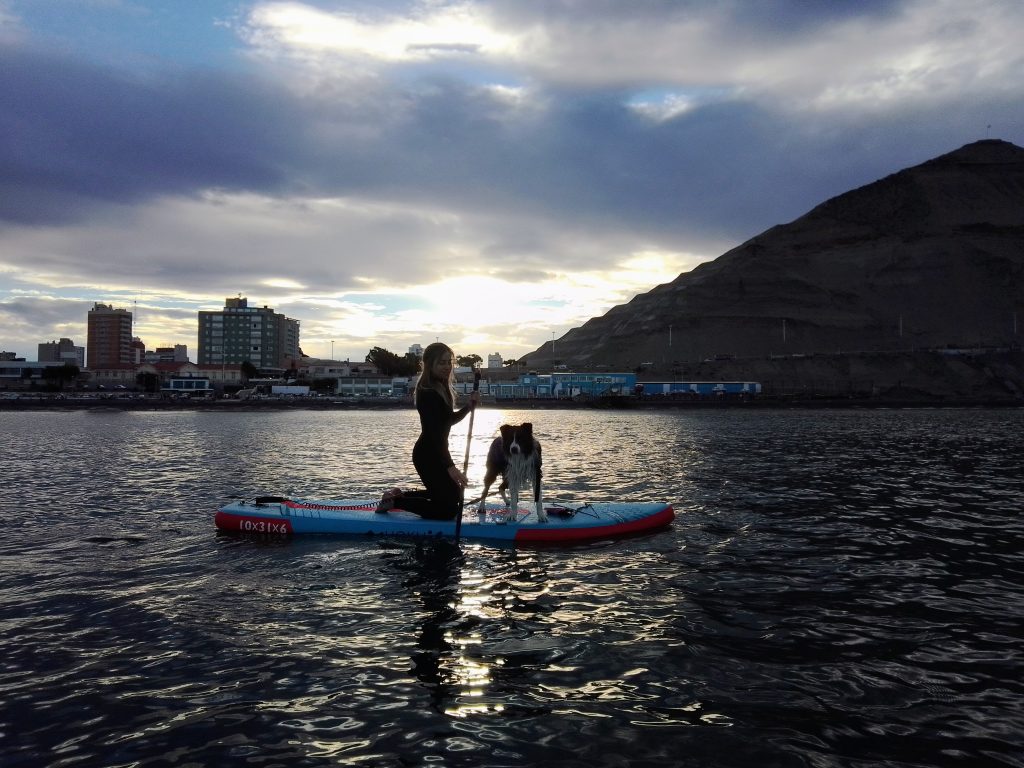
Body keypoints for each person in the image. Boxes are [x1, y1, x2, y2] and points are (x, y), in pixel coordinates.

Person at [376, 342, 479, 520]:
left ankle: (399, 496)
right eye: (441, 363)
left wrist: (469, 407)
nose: (447, 367)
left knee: (454, 495)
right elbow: (434, 433)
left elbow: (448, 421)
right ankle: (395, 503)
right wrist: (450, 466)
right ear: (430, 364)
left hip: (437, 452)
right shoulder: (427, 392)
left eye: (449, 362)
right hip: (427, 455)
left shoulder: (442, 387)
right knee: (448, 510)